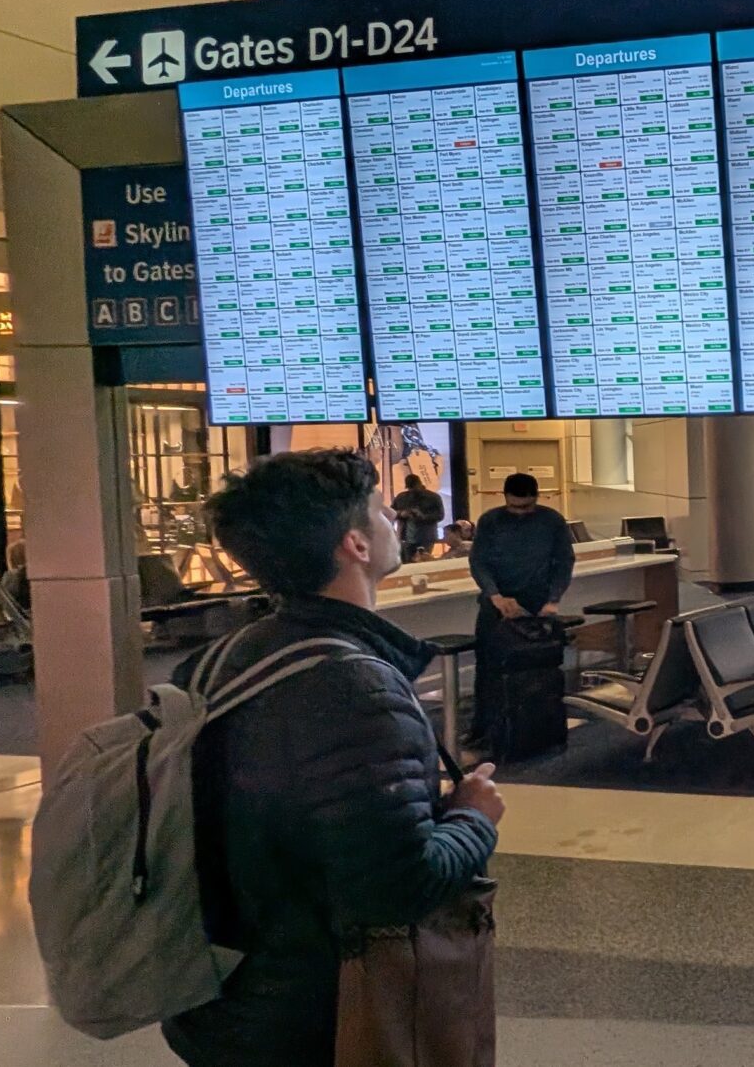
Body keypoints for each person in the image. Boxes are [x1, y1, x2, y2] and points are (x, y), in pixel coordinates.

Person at [164, 449, 502, 1067]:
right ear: (356, 546)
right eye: (379, 512)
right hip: (317, 1013)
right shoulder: (355, 690)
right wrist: (474, 816)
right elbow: (399, 887)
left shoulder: (220, 660)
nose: (391, 521)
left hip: (218, 990)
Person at [468, 473, 576, 743]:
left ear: (537, 499)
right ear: (504, 498)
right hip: (496, 607)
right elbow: (479, 562)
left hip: (538, 608)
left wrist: (553, 600)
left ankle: (536, 727)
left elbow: (564, 562)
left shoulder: (551, 521)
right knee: (488, 669)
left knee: (539, 671)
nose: (520, 513)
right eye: (514, 507)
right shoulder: (490, 521)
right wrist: (495, 595)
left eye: (527, 507)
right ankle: (485, 730)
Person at [391, 473, 445, 563]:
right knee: (407, 562)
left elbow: (440, 515)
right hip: (406, 537)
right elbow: (391, 513)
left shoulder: (433, 497)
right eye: (410, 488)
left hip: (426, 536)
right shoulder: (402, 497)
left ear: (419, 484)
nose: (412, 490)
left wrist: (423, 516)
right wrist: (401, 514)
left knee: (424, 561)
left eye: (413, 487)